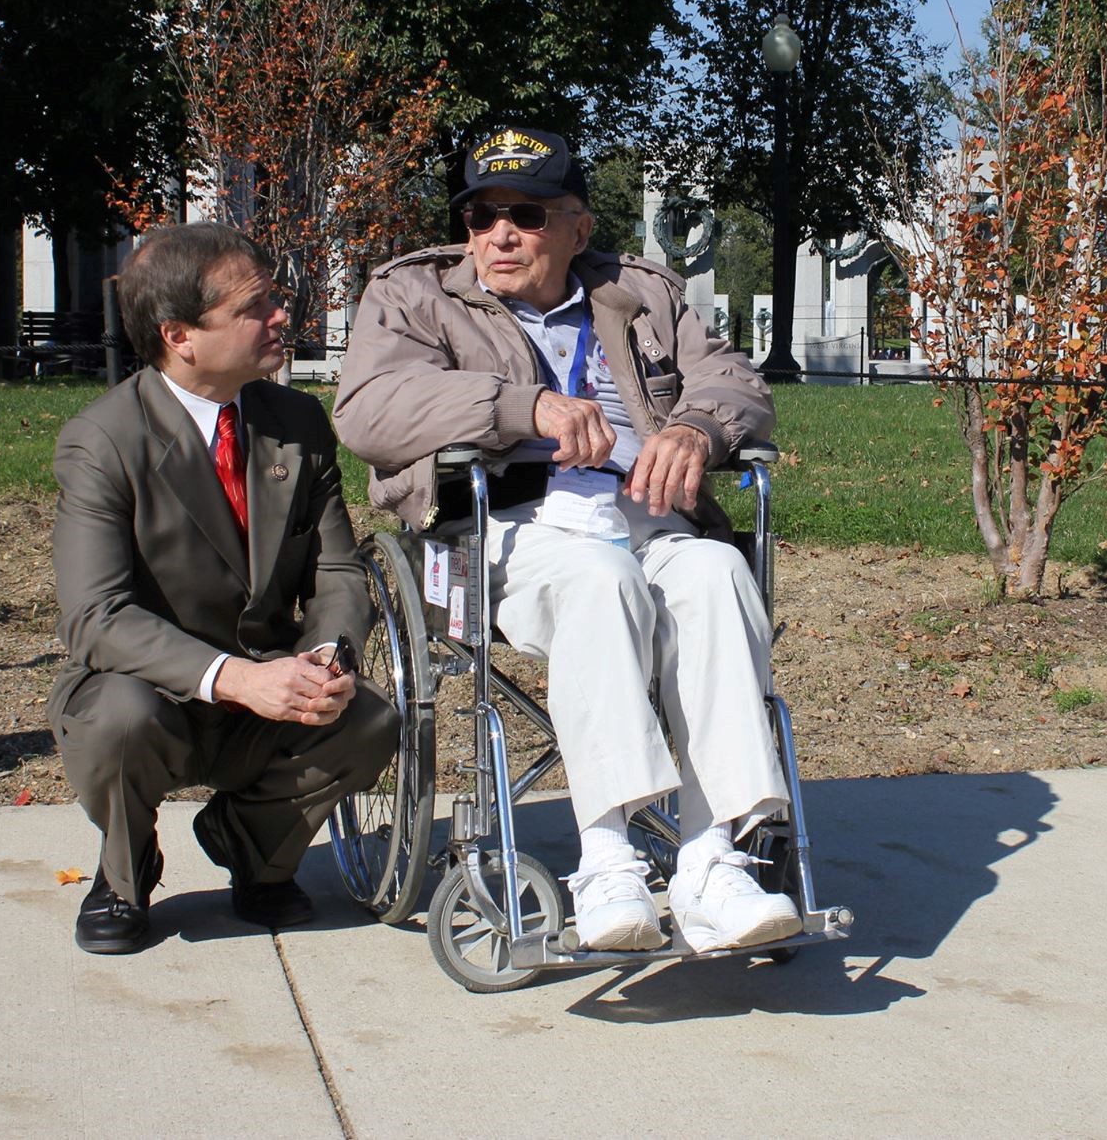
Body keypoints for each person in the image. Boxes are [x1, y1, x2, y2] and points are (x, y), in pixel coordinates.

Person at [334, 127, 801, 955]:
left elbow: (736, 382)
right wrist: (523, 408)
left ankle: (709, 859)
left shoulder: (642, 293)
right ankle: (609, 858)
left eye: (526, 214)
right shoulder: (414, 296)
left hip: (647, 517)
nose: (499, 234)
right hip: (504, 530)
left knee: (719, 574)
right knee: (598, 579)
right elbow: (369, 410)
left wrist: (696, 427)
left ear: (579, 228)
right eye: (480, 215)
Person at [50, 223, 394, 955]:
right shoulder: (105, 440)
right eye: (255, 306)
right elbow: (96, 617)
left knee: (367, 718)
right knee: (117, 717)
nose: (280, 316)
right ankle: (125, 871)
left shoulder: (296, 421)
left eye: (275, 298)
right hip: (152, 694)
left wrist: (326, 656)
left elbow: (336, 568)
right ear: (181, 335)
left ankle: (254, 849)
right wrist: (236, 678)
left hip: (269, 692)